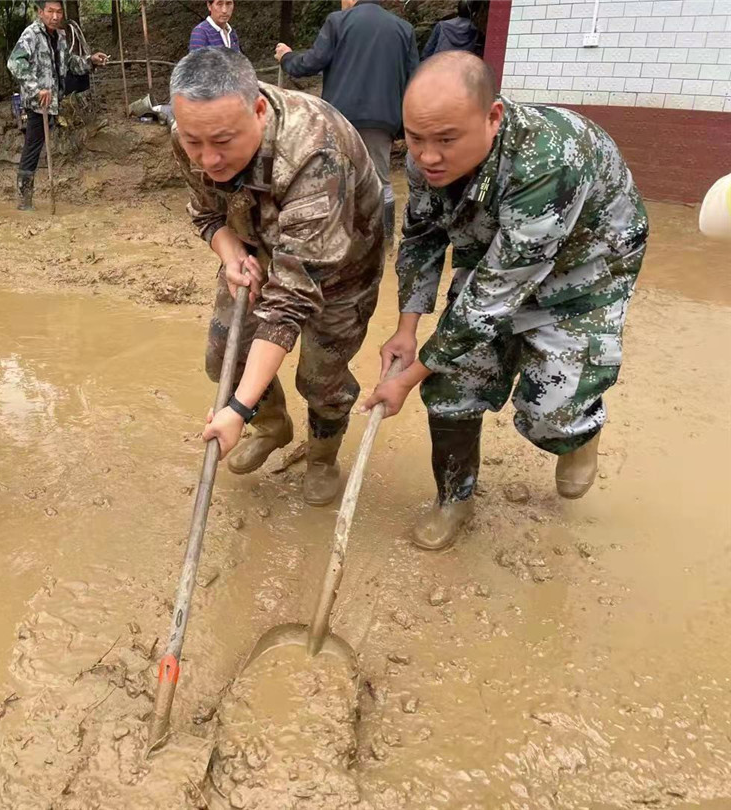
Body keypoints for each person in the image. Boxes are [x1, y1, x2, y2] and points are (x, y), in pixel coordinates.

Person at [363, 52, 648, 551]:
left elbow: (492, 297)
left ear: (492, 117)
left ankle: (576, 433)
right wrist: (407, 330)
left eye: (446, 140)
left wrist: (406, 379)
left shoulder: (550, 160)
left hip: (586, 270)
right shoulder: (426, 152)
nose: (427, 156)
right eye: (416, 137)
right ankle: (455, 497)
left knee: (549, 409)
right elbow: (423, 237)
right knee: (452, 384)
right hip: (496, 249)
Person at [170, 48, 385, 506]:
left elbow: (289, 301)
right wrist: (229, 252)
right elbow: (207, 214)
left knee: (320, 378)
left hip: (340, 268)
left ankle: (323, 455)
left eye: (223, 142)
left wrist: (235, 410)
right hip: (258, 251)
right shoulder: (191, 132)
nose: (207, 158)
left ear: (260, 110)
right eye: (194, 143)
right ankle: (273, 425)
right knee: (222, 357)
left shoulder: (314, 151)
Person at [275, 0, 417, 244]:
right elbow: (414, 79)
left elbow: (310, 63)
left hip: (339, 118)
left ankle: (337, 239)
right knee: (380, 180)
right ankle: (383, 240)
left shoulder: (338, 22)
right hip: (382, 120)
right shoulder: (403, 29)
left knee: (336, 178)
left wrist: (287, 57)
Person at [8, 0, 108, 211]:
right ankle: (24, 201)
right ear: (40, 12)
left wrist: (91, 61)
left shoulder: (60, 36)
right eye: (50, 11)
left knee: (35, 145)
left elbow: (69, 63)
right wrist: (36, 89)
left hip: (53, 100)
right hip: (38, 103)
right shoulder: (31, 35)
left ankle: (26, 200)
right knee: (33, 148)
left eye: (58, 12)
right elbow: (15, 63)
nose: (55, 16)